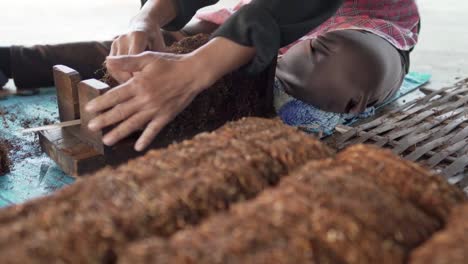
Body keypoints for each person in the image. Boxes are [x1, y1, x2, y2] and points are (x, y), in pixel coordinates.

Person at [0, 0, 420, 151]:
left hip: (355, 22)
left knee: (340, 69)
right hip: (258, 11)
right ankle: (14, 60)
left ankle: (244, 86)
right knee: (155, 46)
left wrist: (197, 71)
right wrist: (149, 16)